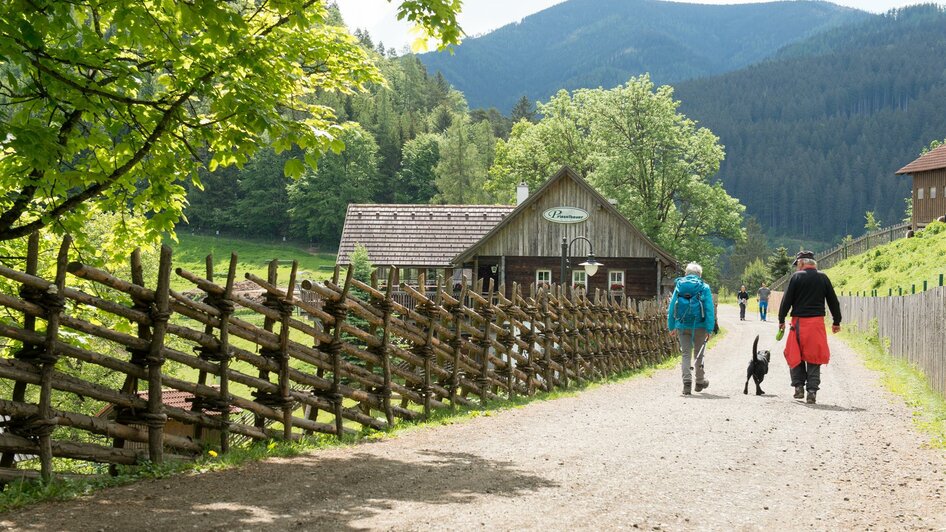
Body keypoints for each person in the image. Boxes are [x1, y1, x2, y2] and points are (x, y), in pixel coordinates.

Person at [778, 251, 842, 404]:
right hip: (817, 324)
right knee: (814, 357)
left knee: (795, 354)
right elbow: (833, 301)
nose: (796, 268)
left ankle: (799, 387)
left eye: (797, 265)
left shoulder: (796, 277)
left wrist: (781, 319)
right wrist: (836, 321)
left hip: (799, 323)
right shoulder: (823, 277)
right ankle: (812, 391)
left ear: (801, 263)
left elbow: (786, 300)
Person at [667, 262, 715, 395]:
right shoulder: (704, 287)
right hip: (699, 325)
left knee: (686, 354)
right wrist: (709, 329)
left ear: (686, 274)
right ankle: (699, 382)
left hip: (682, 325)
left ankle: (686, 384)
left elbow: (671, 307)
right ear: (699, 274)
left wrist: (671, 326)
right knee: (699, 354)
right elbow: (709, 309)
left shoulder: (680, 286)